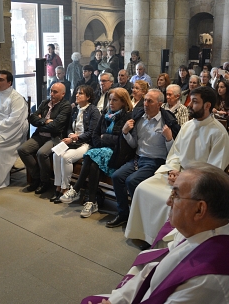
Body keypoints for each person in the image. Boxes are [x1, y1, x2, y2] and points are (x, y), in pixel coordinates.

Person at [81, 163, 229, 304]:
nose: (168, 202)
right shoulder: (198, 231)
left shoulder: (208, 278)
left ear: (199, 210)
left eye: (176, 195)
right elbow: (154, 273)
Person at [125, 86, 229, 247]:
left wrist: (184, 178)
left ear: (207, 105)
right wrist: (173, 170)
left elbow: (214, 171)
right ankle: (144, 235)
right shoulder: (187, 126)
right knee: (142, 188)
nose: (189, 105)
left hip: (197, 185)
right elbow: (175, 153)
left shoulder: (219, 133)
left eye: (195, 102)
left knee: (166, 201)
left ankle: (162, 244)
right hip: (177, 174)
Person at [107, 89, 179, 228]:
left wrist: (169, 138)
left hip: (156, 161)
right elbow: (134, 144)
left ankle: (140, 219)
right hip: (138, 159)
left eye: (149, 101)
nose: (145, 104)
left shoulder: (166, 122)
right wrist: (125, 132)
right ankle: (123, 214)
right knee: (117, 176)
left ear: (159, 104)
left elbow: (173, 154)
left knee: (132, 181)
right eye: (145, 100)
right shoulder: (139, 118)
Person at [60, 88, 135, 218]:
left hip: (118, 154)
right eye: (110, 99)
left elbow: (122, 140)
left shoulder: (128, 117)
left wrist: (104, 138)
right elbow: (95, 134)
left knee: (91, 155)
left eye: (115, 100)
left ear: (123, 102)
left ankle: (76, 189)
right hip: (101, 151)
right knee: (94, 163)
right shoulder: (106, 113)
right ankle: (91, 201)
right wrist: (102, 141)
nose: (111, 102)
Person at [18, 82, 72, 194]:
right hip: (40, 135)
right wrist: (45, 121)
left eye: (55, 92)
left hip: (54, 138)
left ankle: (45, 181)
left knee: (41, 153)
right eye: (51, 91)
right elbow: (32, 118)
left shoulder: (65, 106)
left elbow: (56, 126)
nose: (51, 94)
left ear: (63, 94)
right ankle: (36, 178)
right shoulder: (45, 103)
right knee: (22, 150)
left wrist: (40, 122)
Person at [52, 85, 100, 203]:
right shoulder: (75, 109)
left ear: (88, 97)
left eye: (80, 93)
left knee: (66, 157)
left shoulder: (94, 111)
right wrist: (70, 135)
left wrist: (76, 138)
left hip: (85, 143)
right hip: (72, 141)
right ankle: (58, 186)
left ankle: (66, 189)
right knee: (56, 154)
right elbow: (68, 128)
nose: (77, 95)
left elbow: (92, 132)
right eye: (77, 93)